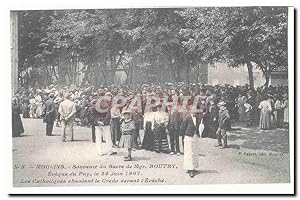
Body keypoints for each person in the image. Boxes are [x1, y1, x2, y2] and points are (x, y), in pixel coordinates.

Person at [180, 105, 201, 178]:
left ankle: (193, 167)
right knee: (189, 153)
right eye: (193, 109)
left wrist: (197, 134)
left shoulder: (197, 117)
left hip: (195, 137)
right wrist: (184, 137)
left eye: (195, 109)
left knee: (194, 152)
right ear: (190, 110)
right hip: (188, 137)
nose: (195, 110)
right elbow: (182, 128)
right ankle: (190, 169)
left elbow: (197, 126)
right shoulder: (187, 117)